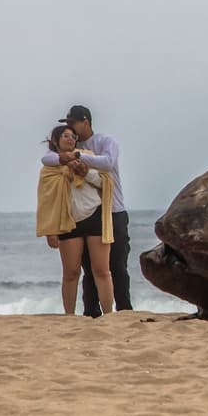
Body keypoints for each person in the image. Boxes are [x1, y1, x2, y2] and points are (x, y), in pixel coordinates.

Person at [42, 105, 132, 316]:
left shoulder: (103, 142)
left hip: (114, 209)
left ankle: (124, 310)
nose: (70, 130)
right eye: (67, 127)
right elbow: (47, 159)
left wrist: (78, 156)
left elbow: (108, 163)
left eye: (73, 124)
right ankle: (91, 312)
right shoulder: (68, 146)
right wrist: (67, 156)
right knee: (87, 269)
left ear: (86, 121)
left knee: (116, 265)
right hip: (86, 213)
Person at [36, 125, 115, 315]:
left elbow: (105, 182)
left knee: (102, 270)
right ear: (55, 140)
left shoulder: (85, 155)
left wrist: (85, 172)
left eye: (73, 136)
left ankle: (109, 314)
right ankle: (69, 315)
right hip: (68, 220)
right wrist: (50, 230)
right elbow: (46, 200)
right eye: (65, 135)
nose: (70, 139)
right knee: (71, 273)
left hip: (94, 215)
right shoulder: (50, 166)